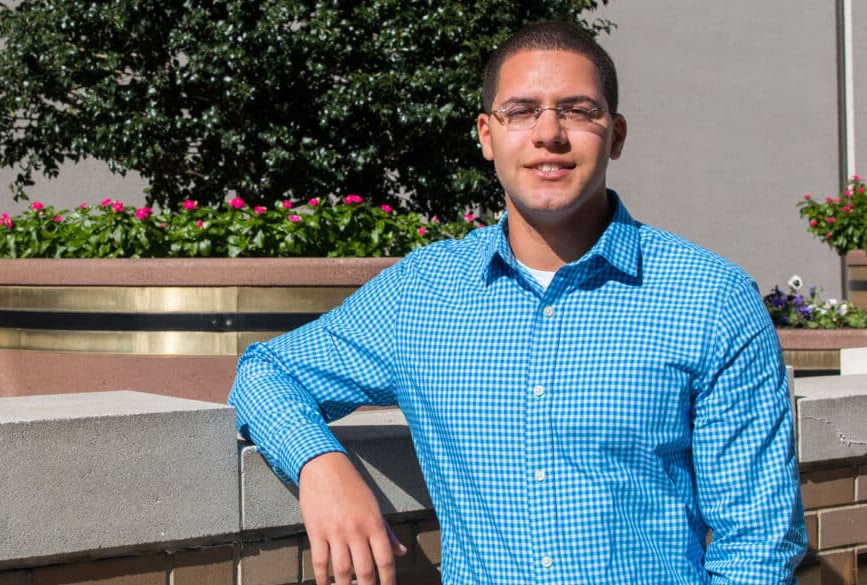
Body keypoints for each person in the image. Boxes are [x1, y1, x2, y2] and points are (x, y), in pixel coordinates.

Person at [228, 21, 806, 585]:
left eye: (578, 110)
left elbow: (758, 543)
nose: (548, 133)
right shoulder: (422, 294)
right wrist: (322, 467)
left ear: (618, 134)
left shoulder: (709, 298)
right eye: (521, 110)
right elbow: (266, 372)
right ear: (486, 134)